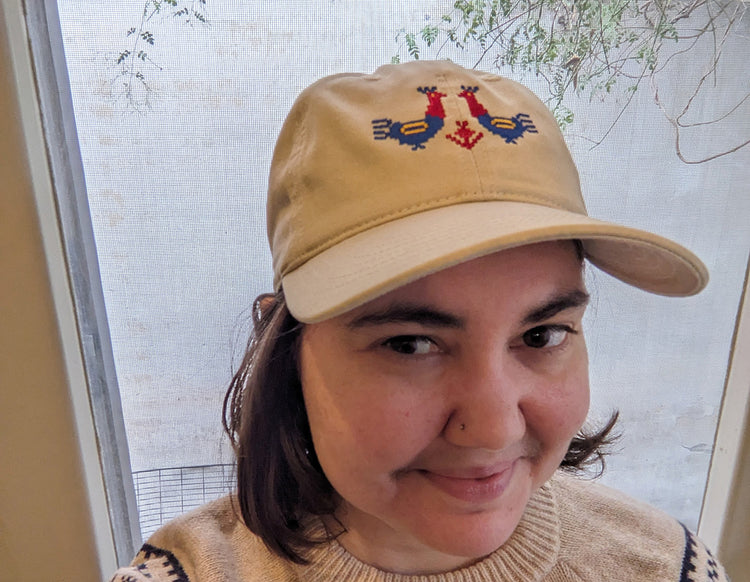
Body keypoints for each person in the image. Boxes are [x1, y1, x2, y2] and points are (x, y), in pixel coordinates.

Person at [110, 60, 728, 581]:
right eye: (409, 344)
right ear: (288, 354)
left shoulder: (668, 567)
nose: (490, 429)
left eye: (542, 335)